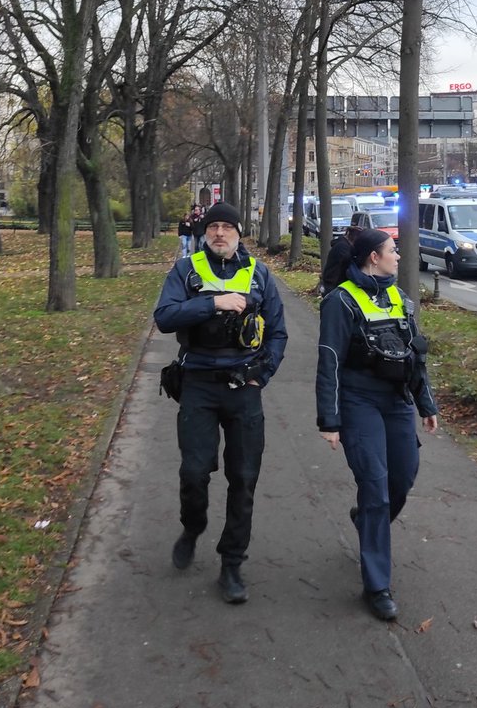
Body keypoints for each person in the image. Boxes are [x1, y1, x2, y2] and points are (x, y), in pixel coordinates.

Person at [154, 200, 287, 603]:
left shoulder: (259, 274)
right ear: (204, 232)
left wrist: (261, 375)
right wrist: (213, 302)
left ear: (238, 234)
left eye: (228, 227)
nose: (219, 233)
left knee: (244, 478)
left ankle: (231, 563)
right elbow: (164, 317)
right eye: (213, 227)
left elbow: (278, 332)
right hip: (198, 382)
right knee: (194, 471)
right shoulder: (186, 270)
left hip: (244, 386)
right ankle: (192, 526)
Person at [316, 228, 438, 622]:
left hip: (397, 401)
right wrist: (329, 419)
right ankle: (377, 584)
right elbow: (329, 361)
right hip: (358, 402)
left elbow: (414, 355)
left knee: (401, 479)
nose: (398, 256)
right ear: (373, 257)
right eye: (392, 250)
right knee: (375, 487)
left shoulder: (399, 297)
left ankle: (366, 520)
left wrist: (425, 403)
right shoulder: (340, 301)